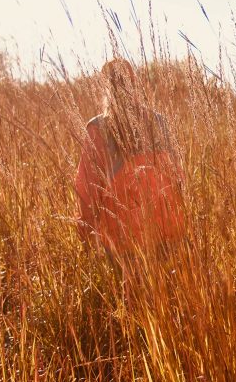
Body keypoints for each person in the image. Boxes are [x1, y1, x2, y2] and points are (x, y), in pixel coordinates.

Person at [74, 58, 186, 256]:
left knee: (130, 286)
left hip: (122, 237)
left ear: (106, 88)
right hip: (167, 230)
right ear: (135, 84)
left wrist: (86, 231)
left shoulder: (98, 128)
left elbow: (87, 188)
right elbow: (178, 177)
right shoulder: (159, 122)